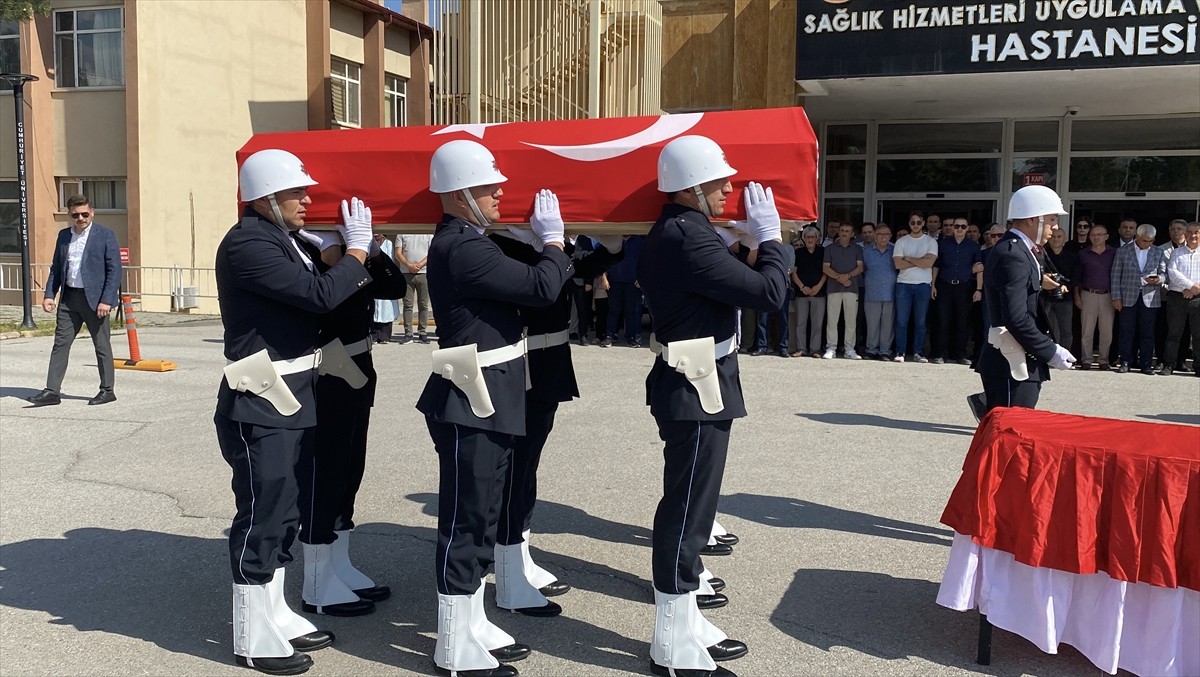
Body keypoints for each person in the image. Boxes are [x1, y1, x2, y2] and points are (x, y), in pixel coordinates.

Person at [214, 149, 375, 675]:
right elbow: (317, 296)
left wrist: (335, 256)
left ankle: (275, 610)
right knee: (263, 514)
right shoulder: (248, 243)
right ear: (265, 198)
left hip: (291, 394)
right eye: (296, 192)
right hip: (261, 399)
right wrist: (355, 252)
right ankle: (251, 633)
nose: (308, 200)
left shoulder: (280, 237)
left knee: (286, 512)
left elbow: (315, 287)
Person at [416, 139, 573, 677]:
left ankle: (472, 620)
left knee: (483, 516)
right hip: (473, 399)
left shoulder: (473, 241)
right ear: (460, 195)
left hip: (490, 395)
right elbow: (542, 288)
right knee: (467, 520)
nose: (502, 192)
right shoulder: (463, 247)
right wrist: (553, 243)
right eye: (489, 187)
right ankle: (453, 643)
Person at [639, 135, 789, 677]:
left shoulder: (689, 232)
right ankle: (670, 642)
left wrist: (739, 240)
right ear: (690, 188)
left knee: (695, 507)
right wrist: (771, 240)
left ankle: (685, 618)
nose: (730, 187)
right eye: (718, 181)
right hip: (694, 388)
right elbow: (769, 293)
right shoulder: (688, 239)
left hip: (698, 380)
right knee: (687, 510)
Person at [488, 222, 624, 615]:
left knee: (527, 467)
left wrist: (611, 248)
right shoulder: (500, 244)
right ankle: (508, 566)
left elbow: (577, 267)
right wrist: (551, 243)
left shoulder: (545, 242)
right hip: (522, 364)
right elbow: (544, 282)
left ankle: (519, 552)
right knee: (513, 468)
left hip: (547, 363)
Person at [292, 226, 406, 618]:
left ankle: (338, 563)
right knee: (324, 474)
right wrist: (340, 256)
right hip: (326, 373)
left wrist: (368, 250)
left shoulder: (350, 250)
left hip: (357, 366)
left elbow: (394, 288)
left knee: (349, 470)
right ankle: (317, 581)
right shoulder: (304, 250)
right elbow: (323, 300)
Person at [975, 185, 1076, 412]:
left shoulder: (1023, 250)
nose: (1055, 227)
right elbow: (1016, 317)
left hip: (1021, 354)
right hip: (1011, 359)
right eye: (1051, 219)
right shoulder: (1014, 254)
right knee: (1011, 426)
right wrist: (1050, 351)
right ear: (1032, 219)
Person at [27, 195, 122, 407]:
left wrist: (107, 300)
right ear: (69, 215)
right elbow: (56, 268)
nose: (80, 218)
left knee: (101, 345)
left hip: (95, 301)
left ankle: (107, 390)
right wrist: (49, 294)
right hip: (69, 299)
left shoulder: (105, 235)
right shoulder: (64, 236)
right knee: (60, 344)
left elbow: (114, 270)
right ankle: (52, 391)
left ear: (92, 213)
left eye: (85, 214)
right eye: (75, 215)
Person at [1111, 224, 1166, 375]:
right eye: (1144, 240)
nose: (1147, 243)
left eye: (1150, 241)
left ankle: (1146, 363)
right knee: (1126, 331)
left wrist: (1158, 279)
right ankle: (1125, 361)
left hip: (1150, 297)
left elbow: (1164, 274)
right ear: (1137, 237)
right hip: (1128, 296)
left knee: (1147, 332)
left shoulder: (1158, 252)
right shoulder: (1123, 251)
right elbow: (1115, 275)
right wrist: (1116, 297)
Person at [931, 217, 982, 365]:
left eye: (963, 227)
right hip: (944, 285)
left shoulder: (974, 246)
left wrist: (978, 289)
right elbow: (936, 266)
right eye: (957, 226)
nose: (960, 229)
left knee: (962, 321)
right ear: (953, 228)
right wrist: (932, 285)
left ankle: (960, 354)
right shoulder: (942, 244)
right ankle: (940, 354)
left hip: (964, 287)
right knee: (942, 320)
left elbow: (979, 268)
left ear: (967, 228)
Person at [892, 211, 938, 363]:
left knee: (921, 322)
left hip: (923, 285)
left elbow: (929, 263)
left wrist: (909, 259)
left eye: (919, 222)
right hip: (903, 285)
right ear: (909, 224)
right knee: (901, 321)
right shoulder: (901, 242)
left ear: (923, 223)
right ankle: (900, 351)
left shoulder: (931, 242)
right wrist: (920, 261)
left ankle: (919, 352)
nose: (916, 225)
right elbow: (898, 264)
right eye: (913, 222)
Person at [1075, 224, 1118, 369]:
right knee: (1087, 330)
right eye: (1093, 234)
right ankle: (1086, 360)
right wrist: (1077, 296)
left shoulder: (1114, 253)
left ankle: (1103, 360)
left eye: (1099, 234)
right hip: (1088, 294)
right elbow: (1078, 277)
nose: (1096, 237)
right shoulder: (1083, 254)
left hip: (1108, 295)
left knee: (1107, 331)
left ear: (1106, 237)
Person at [1162, 221, 1200, 377]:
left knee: (1198, 335)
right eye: (1189, 232)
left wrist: (1195, 289)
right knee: (1174, 333)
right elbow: (1172, 272)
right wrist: (1190, 286)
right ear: (1185, 234)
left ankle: (1198, 366)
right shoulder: (1176, 253)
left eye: (1196, 232)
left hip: (1198, 298)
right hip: (1177, 297)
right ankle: (1169, 365)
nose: (1193, 235)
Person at [822, 222, 864, 359]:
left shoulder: (857, 249)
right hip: (834, 288)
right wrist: (840, 278)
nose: (844, 233)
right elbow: (825, 267)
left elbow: (860, 267)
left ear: (852, 234)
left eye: (847, 231)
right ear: (838, 232)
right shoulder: (829, 248)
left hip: (851, 288)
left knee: (851, 321)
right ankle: (831, 348)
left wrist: (848, 276)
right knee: (832, 320)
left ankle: (849, 349)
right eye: (842, 230)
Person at [789, 226, 826, 358]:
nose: (810, 240)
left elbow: (826, 271)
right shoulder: (798, 252)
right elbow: (794, 272)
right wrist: (802, 287)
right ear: (803, 238)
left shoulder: (823, 252)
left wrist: (818, 287)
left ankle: (815, 349)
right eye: (807, 237)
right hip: (802, 293)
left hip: (819, 292)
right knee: (800, 323)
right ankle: (801, 348)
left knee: (817, 323)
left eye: (813, 237)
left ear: (817, 238)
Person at [1042, 227, 1079, 358]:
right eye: (1053, 236)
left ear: (1065, 239)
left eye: (1059, 237)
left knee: (1066, 330)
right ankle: (1052, 357)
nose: (1056, 239)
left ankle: (1065, 357)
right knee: (1050, 329)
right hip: (1046, 297)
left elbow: (1076, 276)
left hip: (1065, 298)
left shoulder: (1072, 257)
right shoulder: (1043, 256)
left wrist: (1066, 286)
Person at [862, 224, 897, 360]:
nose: (883, 237)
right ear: (875, 236)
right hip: (872, 293)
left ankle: (885, 351)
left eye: (886, 234)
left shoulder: (895, 250)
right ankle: (871, 350)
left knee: (888, 325)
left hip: (891, 292)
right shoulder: (866, 251)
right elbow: (862, 270)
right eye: (880, 234)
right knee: (872, 324)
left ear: (890, 236)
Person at [395, 233, 434, 344]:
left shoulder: (428, 234)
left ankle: (422, 332)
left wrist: (419, 265)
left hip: (424, 272)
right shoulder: (401, 233)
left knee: (423, 304)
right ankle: (408, 333)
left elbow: (432, 253)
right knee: (408, 304)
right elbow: (398, 253)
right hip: (406, 273)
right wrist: (408, 265)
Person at [370, 234, 400, 343]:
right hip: (372, 277)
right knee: (374, 307)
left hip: (385, 276)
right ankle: (374, 334)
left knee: (386, 308)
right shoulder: (369, 242)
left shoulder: (388, 243)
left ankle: (384, 336)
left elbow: (389, 260)